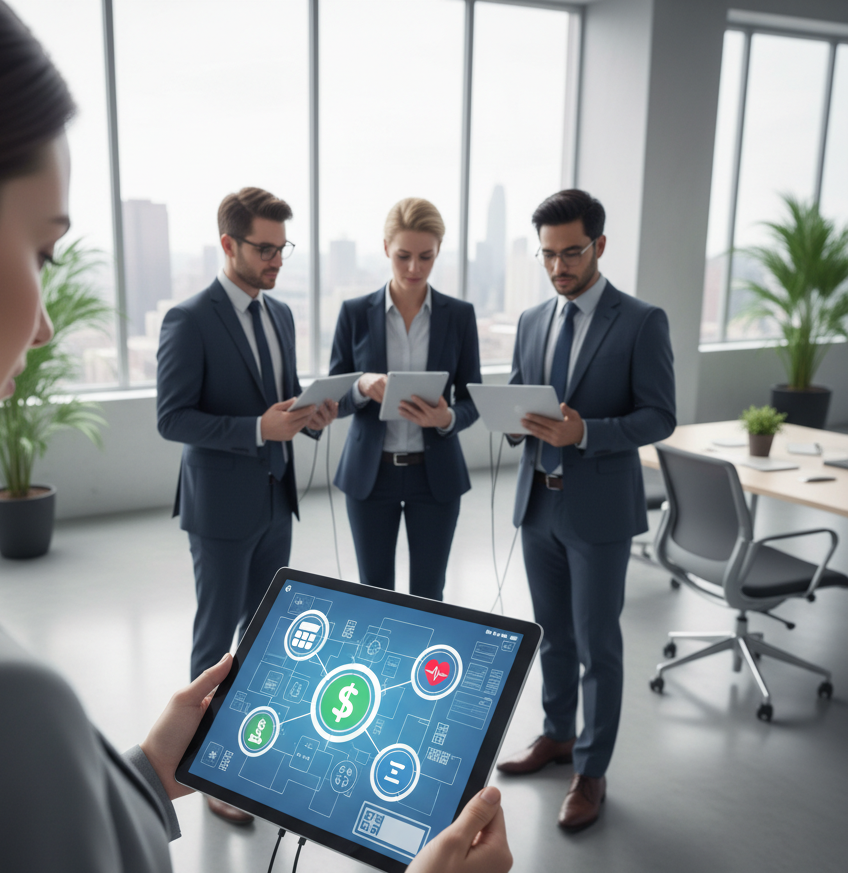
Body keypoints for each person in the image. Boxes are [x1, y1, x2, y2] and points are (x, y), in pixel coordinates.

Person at [0, 3, 514, 873]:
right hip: (228, 494)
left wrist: (145, 773)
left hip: (282, 493)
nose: (50, 318)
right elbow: (180, 415)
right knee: (217, 624)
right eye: (44, 249)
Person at [496, 189, 676, 831]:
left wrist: (588, 433)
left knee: (598, 643)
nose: (557, 267)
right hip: (537, 505)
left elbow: (659, 415)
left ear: (599, 245)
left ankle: (591, 771)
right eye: (547, 255)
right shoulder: (533, 318)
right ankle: (557, 735)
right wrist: (511, 420)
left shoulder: (640, 321)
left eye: (570, 253)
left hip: (598, 511)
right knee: (552, 636)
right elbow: (525, 394)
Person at [157, 187, 337, 823]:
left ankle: (243, 749)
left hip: (273, 500)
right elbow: (173, 418)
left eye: (283, 248)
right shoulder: (189, 319)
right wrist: (258, 429)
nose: (276, 260)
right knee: (215, 642)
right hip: (221, 507)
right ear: (228, 244)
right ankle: (202, 766)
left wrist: (311, 415)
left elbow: (280, 401)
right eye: (265, 248)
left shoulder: (281, 315)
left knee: (261, 638)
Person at [328, 198, 481, 601]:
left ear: (438, 251)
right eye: (403, 256)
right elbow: (334, 398)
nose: (414, 268)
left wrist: (447, 418)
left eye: (426, 256)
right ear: (385, 249)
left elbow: (472, 398)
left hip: (435, 476)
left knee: (430, 595)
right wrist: (361, 387)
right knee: (373, 593)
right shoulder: (355, 313)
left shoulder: (459, 316)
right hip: (369, 475)